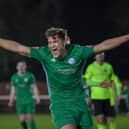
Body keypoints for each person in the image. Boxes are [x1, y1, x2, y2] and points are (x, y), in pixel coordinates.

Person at [0, 27, 129, 129]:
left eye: (55, 41)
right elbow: (18, 48)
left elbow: (104, 46)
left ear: (64, 41)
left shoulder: (79, 52)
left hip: (81, 105)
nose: (51, 45)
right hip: (60, 106)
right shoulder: (44, 53)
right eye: (49, 42)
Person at [83, 52, 118, 129]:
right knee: (101, 119)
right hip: (96, 97)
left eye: (102, 54)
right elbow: (86, 82)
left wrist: (116, 95)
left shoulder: (109, 67)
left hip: (109, 96)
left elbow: (112, 81)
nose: (100, 55)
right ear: (95, 56)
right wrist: (88, 96)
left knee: (111, 119)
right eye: (98, 54)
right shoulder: (90, 67)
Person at [8, 61, 40, 129]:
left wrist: (37, 97)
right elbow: (13, 90)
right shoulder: (14, 77)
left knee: (30, 118)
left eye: (23, 65)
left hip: (29, 100)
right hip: (19, 101)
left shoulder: (30, 75)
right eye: (19, 66)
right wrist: (11, 101)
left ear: (25, 67)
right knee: (21, 120)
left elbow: (34, 87)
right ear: (17, 67)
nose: (21, 67)